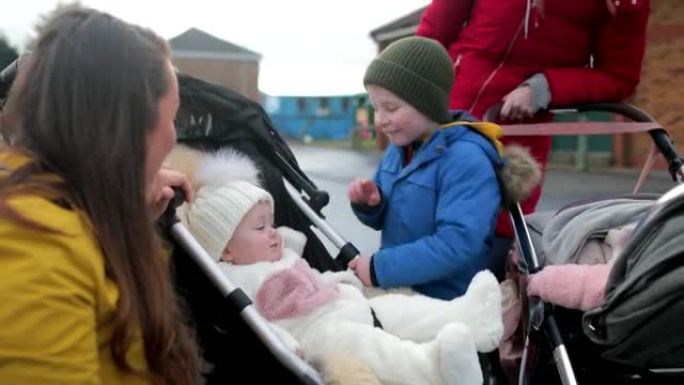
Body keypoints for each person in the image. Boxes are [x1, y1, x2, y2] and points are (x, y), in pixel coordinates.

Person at [0, 5, 201, 385]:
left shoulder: (69, 211)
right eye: (172, 119)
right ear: (127, 129)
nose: (174, 139)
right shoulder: (37, 240)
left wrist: (131, 219)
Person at [182, 149, 505, 385]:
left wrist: (344, 282)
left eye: (271, 224)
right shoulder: (233, 278)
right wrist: (287, 346)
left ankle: (467, 316)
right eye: (259, 228)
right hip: (319, 334)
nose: (273, 233)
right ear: (225, 247)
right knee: (371, 345)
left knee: (396, 307)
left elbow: (315, 277)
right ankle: (431, 368)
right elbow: (256, 325)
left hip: (340, 303)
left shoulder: (281, 257)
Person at [416, 0, 650, 253]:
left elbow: (619, 77)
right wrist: (405, 97)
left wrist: (545, 88)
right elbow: (432, 35)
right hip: (440, 117)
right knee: (413, 225)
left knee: (490, 253)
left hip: (516, 141)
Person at [347, 36, 540, 298]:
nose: (380, 120)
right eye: (375, 108)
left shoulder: (466, 160)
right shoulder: (398, 149)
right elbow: (388, 219)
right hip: (402, 291)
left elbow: (457, 245)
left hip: (449, 302)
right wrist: (372, 204)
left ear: (427, 103)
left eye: (390, 108)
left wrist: (380, 268)